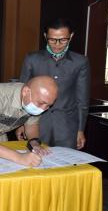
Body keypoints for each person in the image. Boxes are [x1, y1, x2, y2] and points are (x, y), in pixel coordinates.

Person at [17, 18, 90, 149]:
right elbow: (22, 93)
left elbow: (82, 99)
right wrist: (21, 124)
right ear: (45, 36)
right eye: (52, 39)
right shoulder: (32, 59)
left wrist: (80, 130)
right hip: (36, 125)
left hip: (67, 128)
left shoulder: (80, 62)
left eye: (63, 40)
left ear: (71, 36)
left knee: (67, 167)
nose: (57, 44)